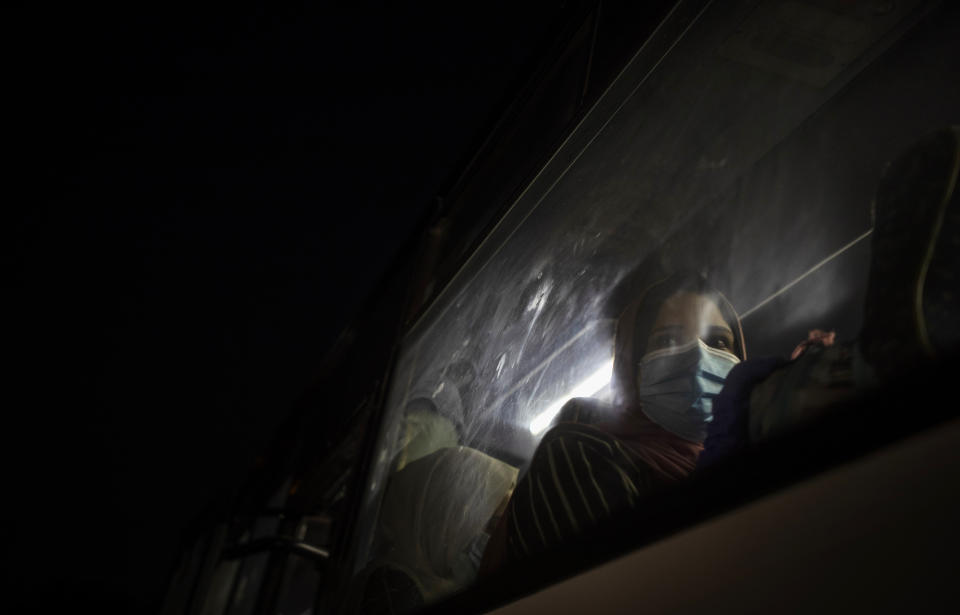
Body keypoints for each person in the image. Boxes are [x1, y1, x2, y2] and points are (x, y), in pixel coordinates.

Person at [479, 269, 747, 572]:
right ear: (631, 367)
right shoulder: (579, 459)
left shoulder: (746, 458)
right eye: (668, 340)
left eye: (720, 342)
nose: (699, 357)